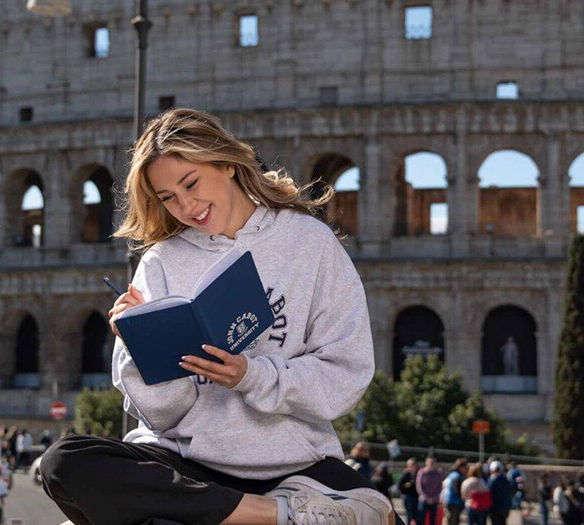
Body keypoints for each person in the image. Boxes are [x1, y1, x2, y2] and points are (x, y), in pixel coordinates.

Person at [39, 108, 395, 525]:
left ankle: (250, 510)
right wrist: (142, 347)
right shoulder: (161, 261)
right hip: (185, 463)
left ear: (226, 163)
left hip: (292, 463)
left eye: (190, 183)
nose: (186, 206)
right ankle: (277, 516)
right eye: (168, 198)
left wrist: (251, 375)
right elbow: (162, 416)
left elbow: (346, 374)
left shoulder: (308, 242)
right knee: (63, 462)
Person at [417, 457, 445, 525]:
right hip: (423, 499)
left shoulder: (438, 473)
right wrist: (426, 497)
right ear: (426, 463)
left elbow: (440, 487)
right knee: (421, 518)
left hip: (434, 500)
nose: (431, 464)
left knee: (433, 519)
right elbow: (419, 486)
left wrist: (434, 497)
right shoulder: (422, 472)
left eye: (433, 463)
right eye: (430, 462)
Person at [488, 461, 514, 525]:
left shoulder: (492, 481)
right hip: (504, 508)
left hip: (495, 509)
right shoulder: (505, 480)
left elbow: (489, 493)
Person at [444, 458, 468, 525]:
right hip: (454, 501)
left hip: (449, 500)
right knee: (453, 520)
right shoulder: (456, 476)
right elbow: (456, 489)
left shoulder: (451, 474)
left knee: (452, 519)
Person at [399, 459, 421, 525]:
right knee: (409, 517)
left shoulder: (419, 473)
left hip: (418, 497)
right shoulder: (406, 474)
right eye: (409, 465)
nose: (411, 467)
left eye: (412, 465)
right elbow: (400, 486)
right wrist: (407, 485)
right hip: (409, 497)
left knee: (418, 517)